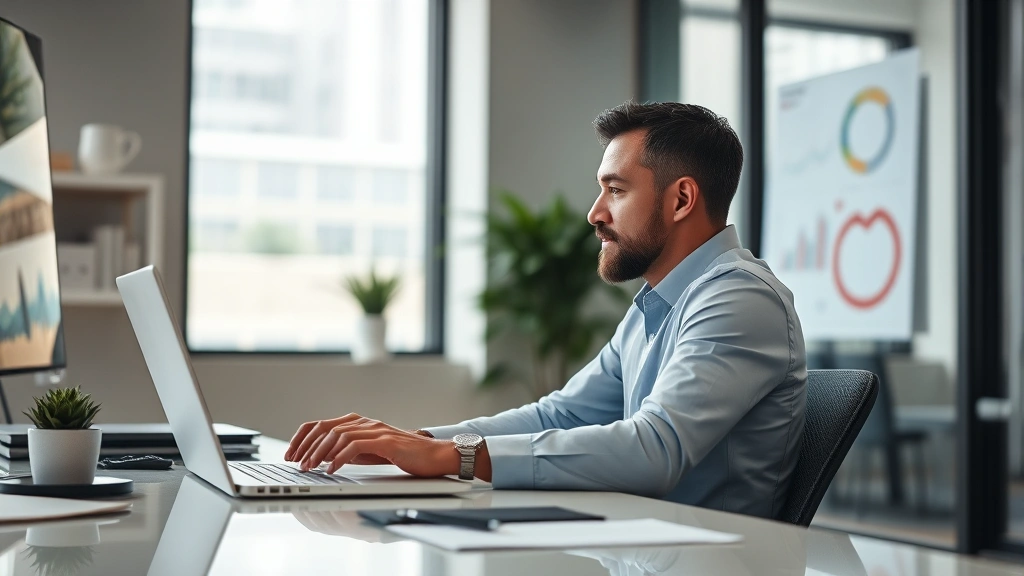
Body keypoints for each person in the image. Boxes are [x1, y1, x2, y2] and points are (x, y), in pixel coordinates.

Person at [286, 101, 807, 519]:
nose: (594, 213)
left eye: (615, 190)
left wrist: (455, 458)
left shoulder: (740, 298)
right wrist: (413, 442)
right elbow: (561, 414)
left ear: (681, 200)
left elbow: (655, 449)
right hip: (641, 550)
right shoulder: (660, 303)